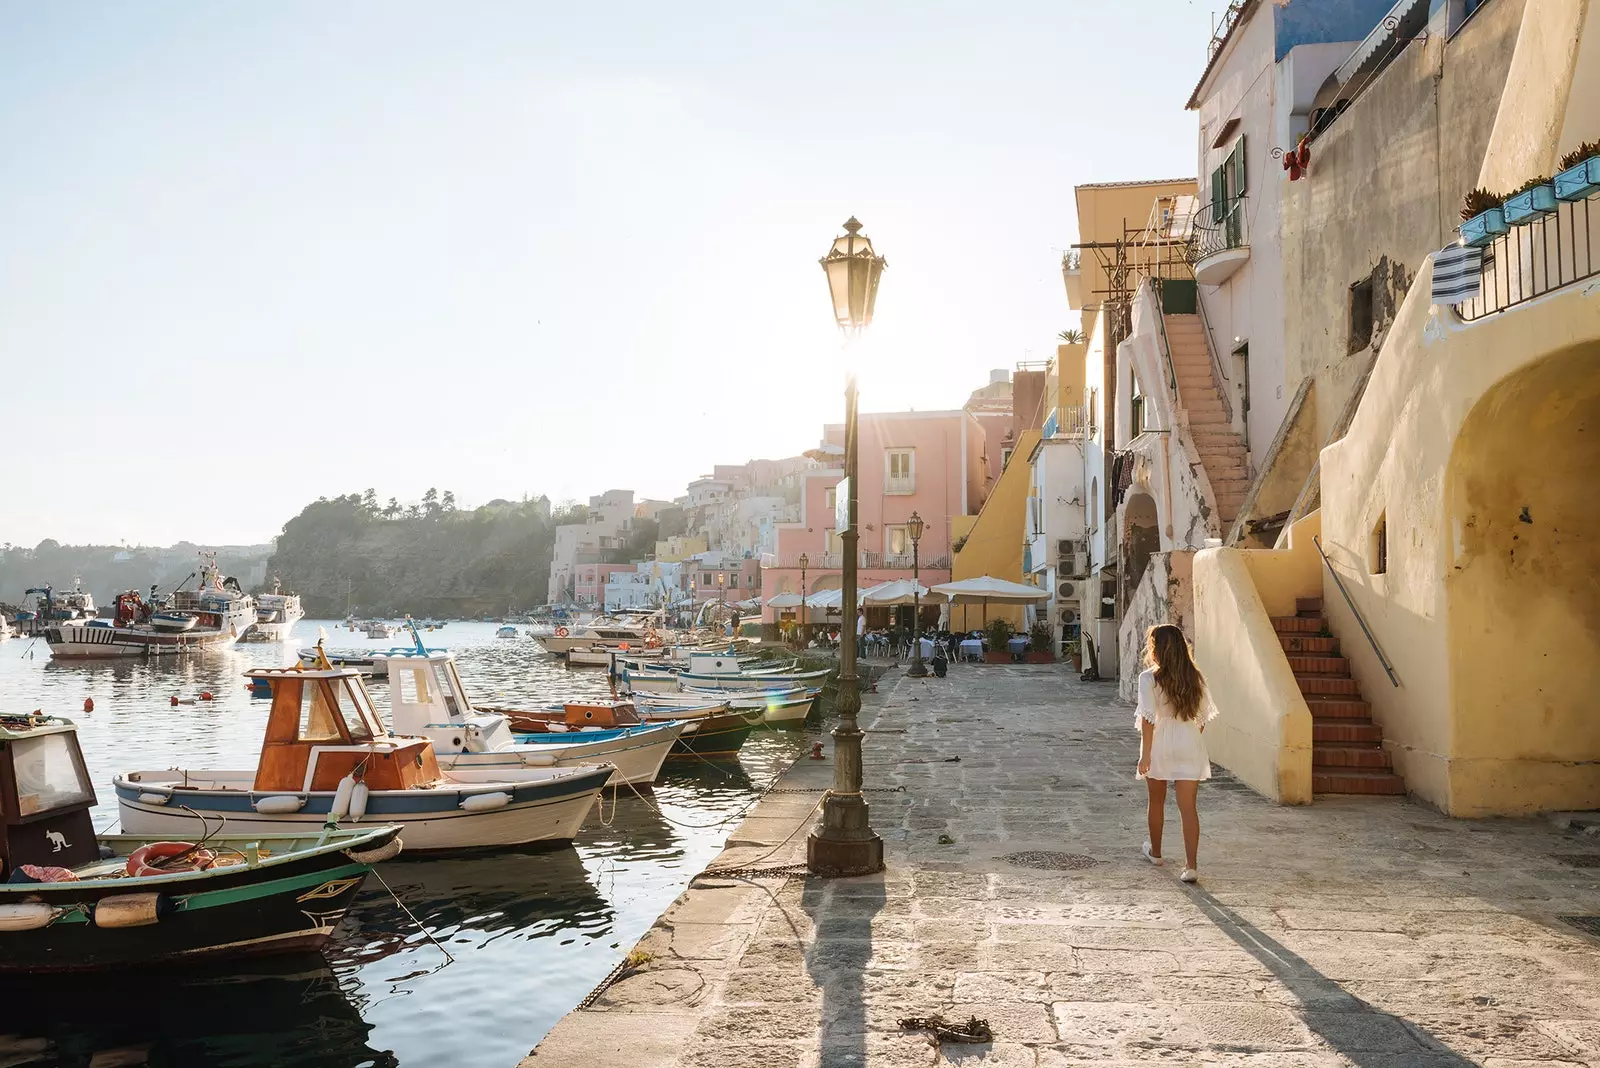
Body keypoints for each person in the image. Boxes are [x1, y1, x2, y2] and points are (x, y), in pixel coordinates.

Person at [1135, 623, 1216, 884]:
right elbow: (1203, 718)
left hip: (1160, 741)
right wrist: (1190, 740)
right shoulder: (1195, 676)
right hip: (1188, 739)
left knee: (1156, 801)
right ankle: (1191, 866)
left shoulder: (1148, 678)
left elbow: (1148, 719)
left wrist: (1145, 755)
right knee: (1188, 807)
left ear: (1156, 649)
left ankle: (1156, 853)